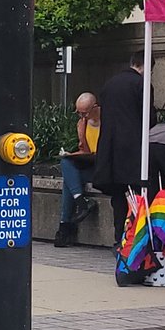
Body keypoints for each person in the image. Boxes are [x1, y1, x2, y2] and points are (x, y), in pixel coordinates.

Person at [93, 51, 155, 243]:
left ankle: (119, 237)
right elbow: (149, 119)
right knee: (137, 195)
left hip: (111, 150)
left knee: (118, 197)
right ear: (146, 67)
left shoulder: (110, 83)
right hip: (132, 150)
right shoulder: (141, 84)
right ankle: (134, 237)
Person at [54, 92, 101, 248]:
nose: (82, 116)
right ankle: (81, 202)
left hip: (103, 167)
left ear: (95, 107)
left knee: (68, 183)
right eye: (79, 112)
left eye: (84, 112)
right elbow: (84, 149)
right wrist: (72, 155)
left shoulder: (108, 122)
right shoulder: (82, 123)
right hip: (89, 164)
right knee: (66, 163)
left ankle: (64, 227)